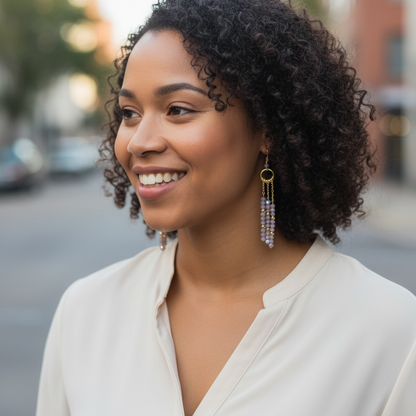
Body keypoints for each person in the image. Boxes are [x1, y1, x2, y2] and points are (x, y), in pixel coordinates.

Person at [36, 0, 416, 415]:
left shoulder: (391, 333)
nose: (140, 141)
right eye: (129, 113)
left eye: (177, 109)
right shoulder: (86, 312)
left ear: (268, 129)